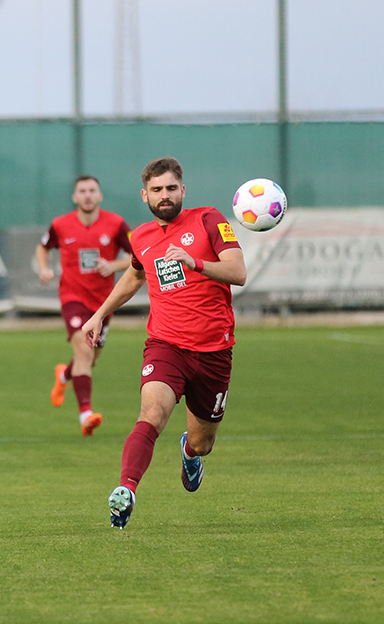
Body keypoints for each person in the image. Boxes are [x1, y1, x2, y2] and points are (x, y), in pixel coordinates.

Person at [80, 157, 246, 529]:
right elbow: (133, 278)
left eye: (171, 188)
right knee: (151, 414)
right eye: (157, 190)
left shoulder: (209, 220)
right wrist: (99, 313)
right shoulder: (140, 237)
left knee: (203, 443)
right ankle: (126, 491)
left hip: (215, 351)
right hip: (166, 345)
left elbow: (238, 272)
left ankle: (189, 452)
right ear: (145, 195)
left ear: (182, 190)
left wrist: (196, 262)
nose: (165, 196)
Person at [35, 175, 132, 436]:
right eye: (82, 191)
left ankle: (64, 376)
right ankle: (86, 414)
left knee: (90, 357)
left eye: (92, 190)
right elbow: (42, 248)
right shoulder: (60, 224)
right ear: (74, 197)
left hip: (104, 303)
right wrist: (44, 269)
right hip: (73, 297)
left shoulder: (116, 223)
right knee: (84, 351)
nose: (88, 195)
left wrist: (114, 265)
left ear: (100, 195)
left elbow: (138, 255)